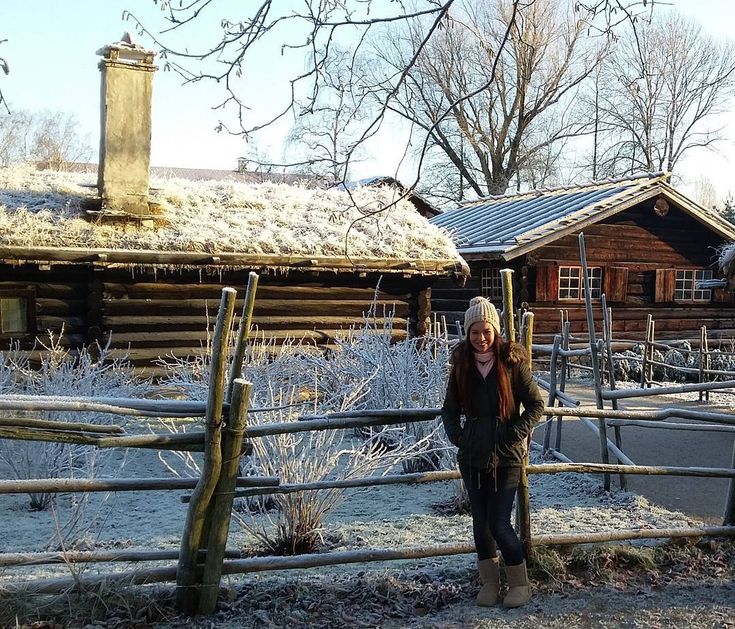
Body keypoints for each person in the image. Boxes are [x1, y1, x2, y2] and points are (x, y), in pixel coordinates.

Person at [442, 296, 544, 608]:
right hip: (472, 457)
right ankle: (489, 582)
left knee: (499, 523)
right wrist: (461, 437)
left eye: (486, 331)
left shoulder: (513, 364)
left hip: (507, 457)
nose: (481, 338)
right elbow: (449, 410)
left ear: (495, 331)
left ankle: (519, 584)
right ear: (468, 332)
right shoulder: (461, 366)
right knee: (480, 523)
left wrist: (514, 431)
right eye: (475, 331)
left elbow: (537, 404)